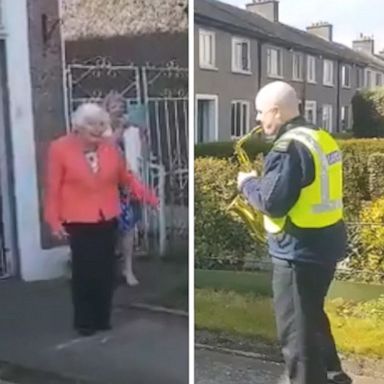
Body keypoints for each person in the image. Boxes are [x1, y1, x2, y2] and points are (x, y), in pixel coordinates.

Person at [236, 81, 352, 384]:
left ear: (276, 111)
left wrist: (247, 183)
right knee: (311, 316)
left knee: (296, 335)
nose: (259, 120)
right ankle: (334, 375)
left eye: (261, 112)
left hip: (297, 251)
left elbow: (271, 203)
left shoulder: (288, 148)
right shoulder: (321, 138)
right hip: (325, 245)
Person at [44, 103, 158, 336]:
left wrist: (149, 197)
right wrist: (53, 221)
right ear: (79, 127)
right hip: (78, 219)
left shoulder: (110, 149)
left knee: (106, 270)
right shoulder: (60, 149)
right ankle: (85, 322)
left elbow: (126, 178)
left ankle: (102, 318)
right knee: (86, 271)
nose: (98, 131)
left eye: (101, 125)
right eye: (92, 126)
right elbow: (52, 189)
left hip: (107, 216)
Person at [103, 92, 147, 286]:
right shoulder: (101, 130)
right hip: (106, 186)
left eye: (121, 106)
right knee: (108, 230)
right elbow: (106, 148)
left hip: (127, 184)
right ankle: (108, 270)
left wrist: (143, 136)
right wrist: (120, 128)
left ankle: (128, 270)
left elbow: (141, 155)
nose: (119, 110)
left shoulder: (131, 131)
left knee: (128, 228)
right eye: (114, 106)